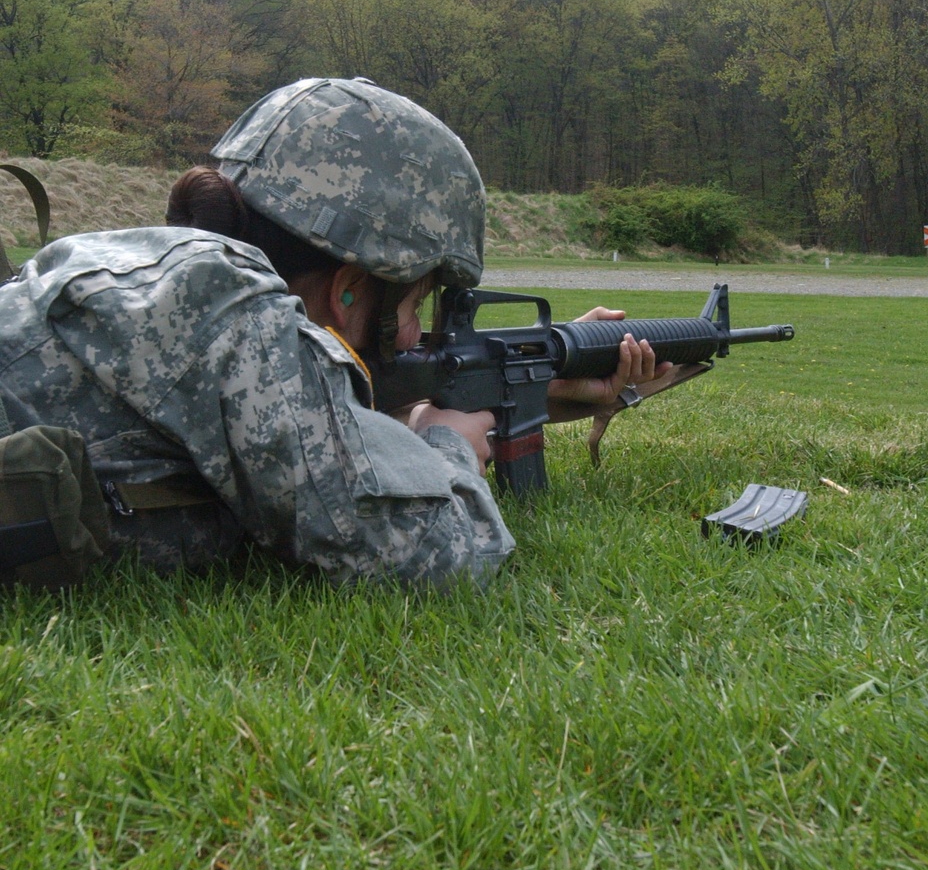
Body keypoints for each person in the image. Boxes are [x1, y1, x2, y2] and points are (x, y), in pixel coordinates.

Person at [0, 78, 665, 586]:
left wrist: (540, 393)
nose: (413, 340)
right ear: (349, 288)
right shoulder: (235, 315)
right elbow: (436, 554)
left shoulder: (173, 279)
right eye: (414, 307)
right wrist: (448, 442)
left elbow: (313, 425)